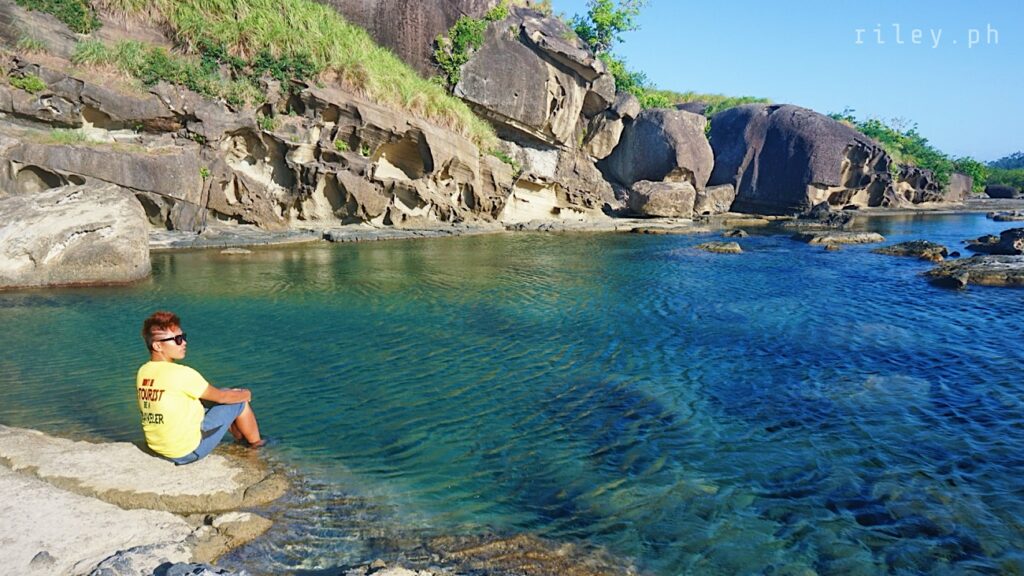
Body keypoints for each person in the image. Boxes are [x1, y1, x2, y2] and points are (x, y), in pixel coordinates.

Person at [137, 311, 264, 465]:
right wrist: (246, 394)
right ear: (157, 345)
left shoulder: (144, 371)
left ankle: (240, 439)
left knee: (225, 393)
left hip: (157, 446)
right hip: (186, 452)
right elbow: (222, 398)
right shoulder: (183, 374)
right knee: (238, 400)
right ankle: (257, 447)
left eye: (183, 337)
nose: (184, 343)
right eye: (177, 339)